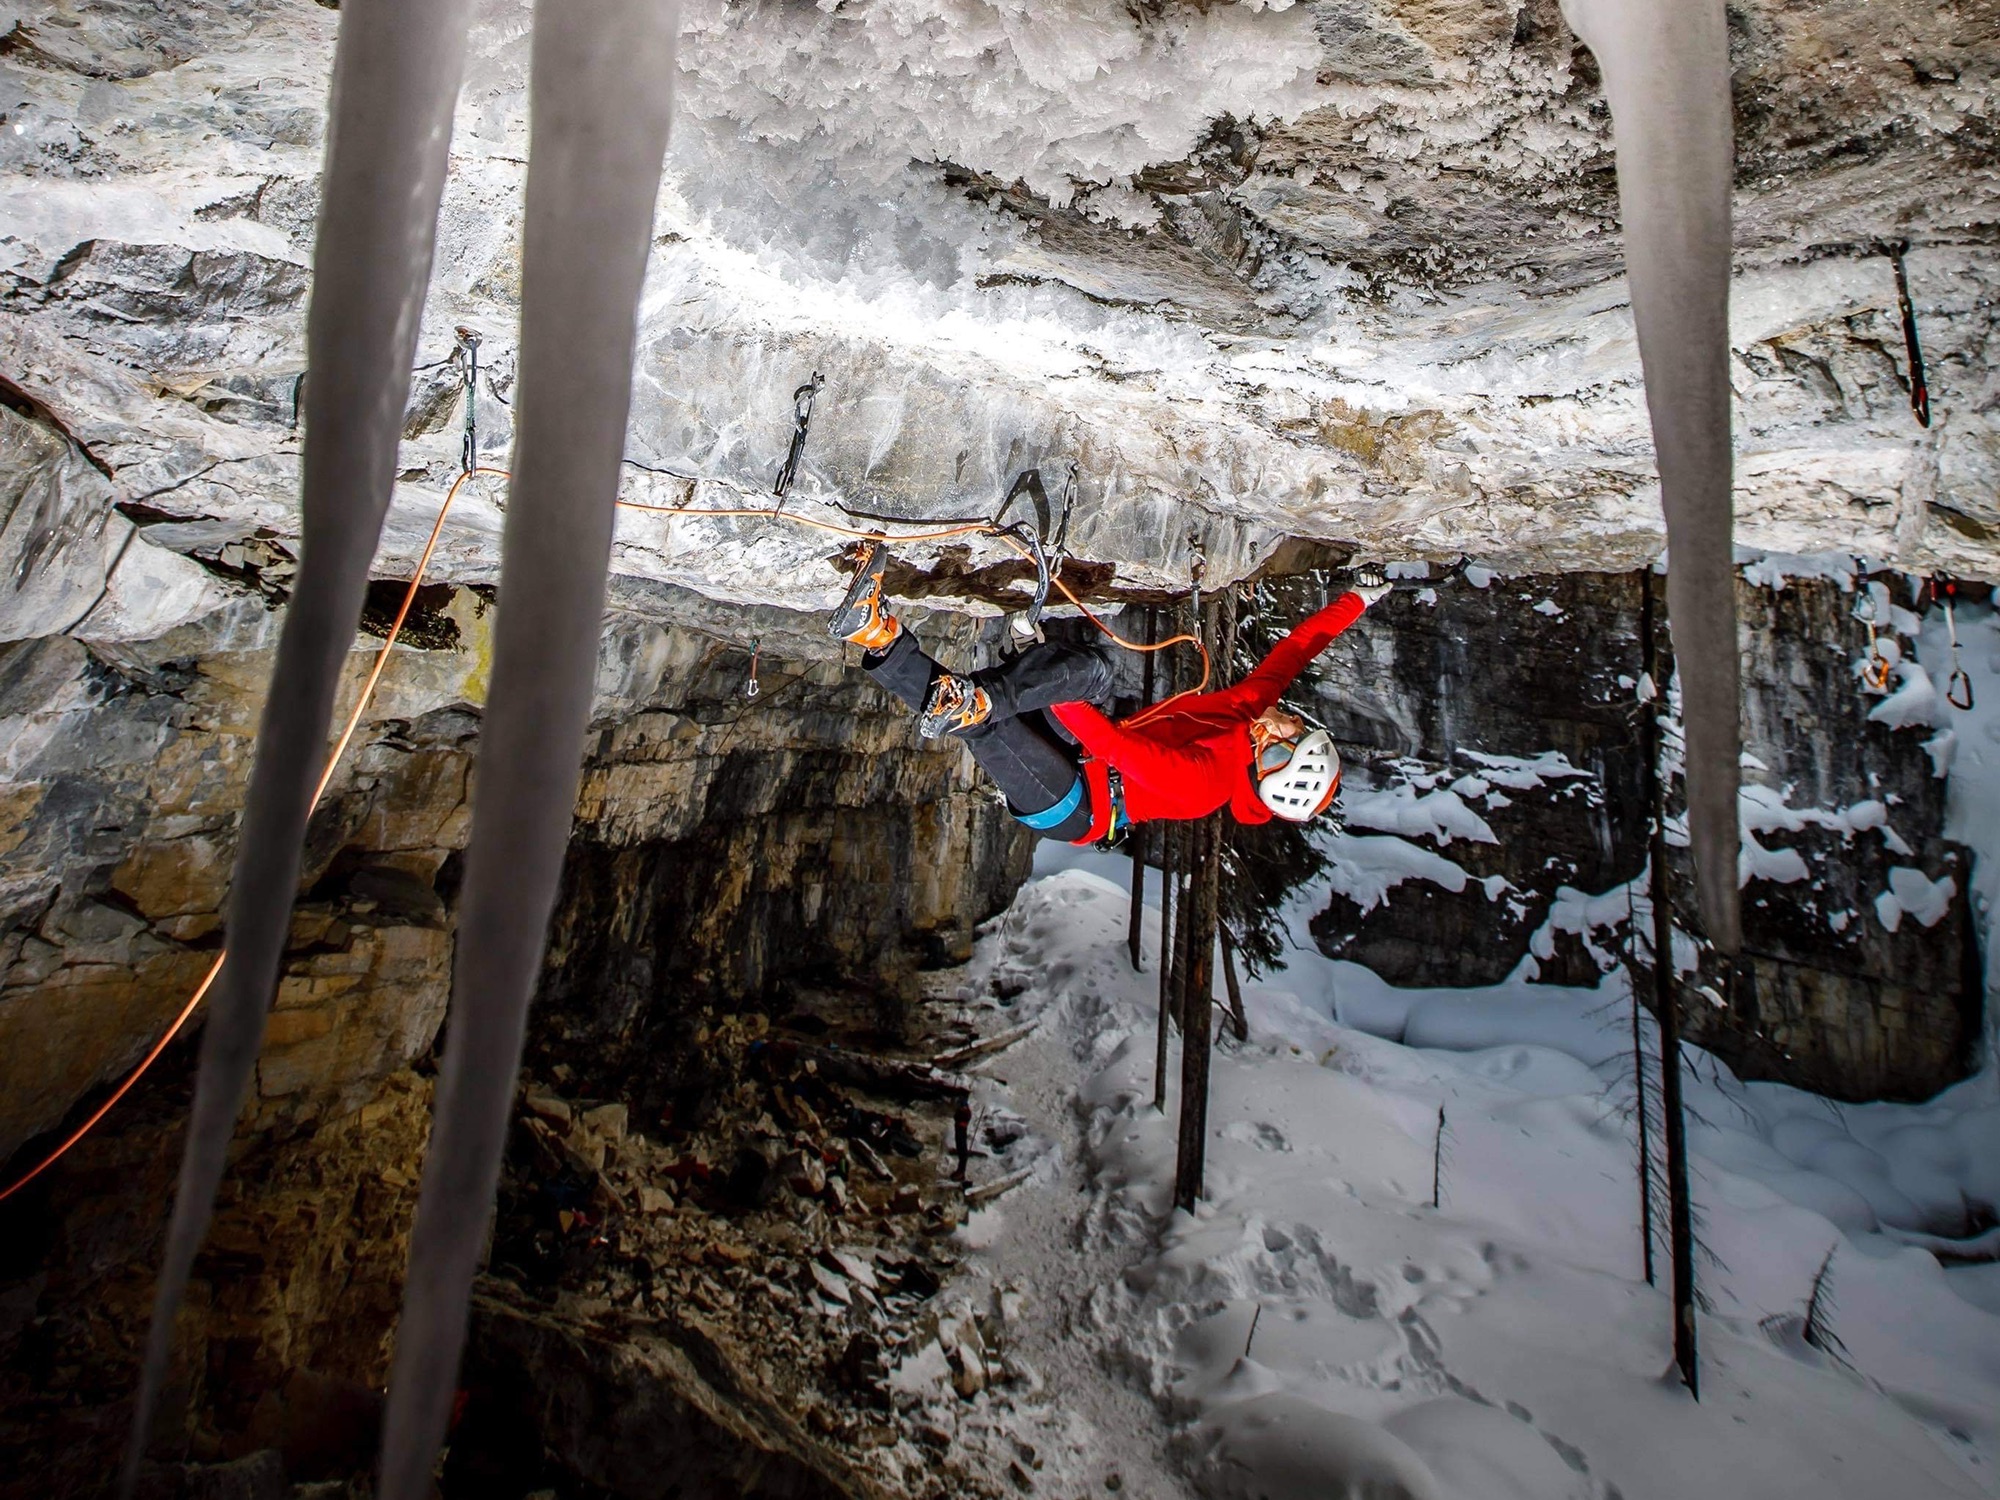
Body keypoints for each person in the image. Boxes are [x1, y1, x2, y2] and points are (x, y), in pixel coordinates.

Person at [829, 542, 1390, 846]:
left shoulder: (1205, 786)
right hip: (1087, 757)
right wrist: (1358, 602)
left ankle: (894, 645)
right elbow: (1296, 650)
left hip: (1077, 805)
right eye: (1297, 728)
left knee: (992, 722)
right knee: (1089, 671)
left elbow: (1118, 749)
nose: (1288, 722)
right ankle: (874, 631)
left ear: (1270, 761)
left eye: (1289, 737)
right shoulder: (1249, 712)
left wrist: (1048, 688)